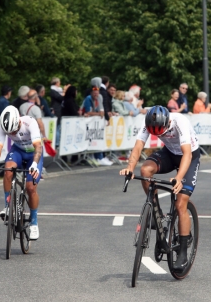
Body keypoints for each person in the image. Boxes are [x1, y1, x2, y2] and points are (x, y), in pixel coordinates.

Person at [119, 106, 200, 271]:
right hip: (169, 153)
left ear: (168, 122)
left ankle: (183, 251)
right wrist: (129, 167)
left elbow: (187, 154)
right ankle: (156, 213)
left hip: (189, 157)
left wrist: (178, 178)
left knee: (180, 204)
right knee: (145, 170)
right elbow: (138, 145)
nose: (158, 134)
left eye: (161, 132)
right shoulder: (149, 121)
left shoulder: (180, 122)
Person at [0, 106, 43, 240]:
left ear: (18, 121)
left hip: (33, 155)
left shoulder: (30, 123)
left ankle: (34, 222)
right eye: (10, 133)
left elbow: (38, 147)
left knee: (31, 188)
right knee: (7, 171)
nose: (13, 134)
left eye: (15, 130)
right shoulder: (3, 126)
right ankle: (8, 207)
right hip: (18, 151)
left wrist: (35, 165)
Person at [82, 86, 112, 166]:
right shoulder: (88, 99)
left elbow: (101, 111)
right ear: (91, 93)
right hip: (87, 122)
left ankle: (99, 157)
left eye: (97, 93)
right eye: (94, 93)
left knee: (97, 139)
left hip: (94, 123)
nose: (96, 94)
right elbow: (88, 112)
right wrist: (98, 114)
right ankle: (95, 156)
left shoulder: (98, 98)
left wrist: (100, 114)